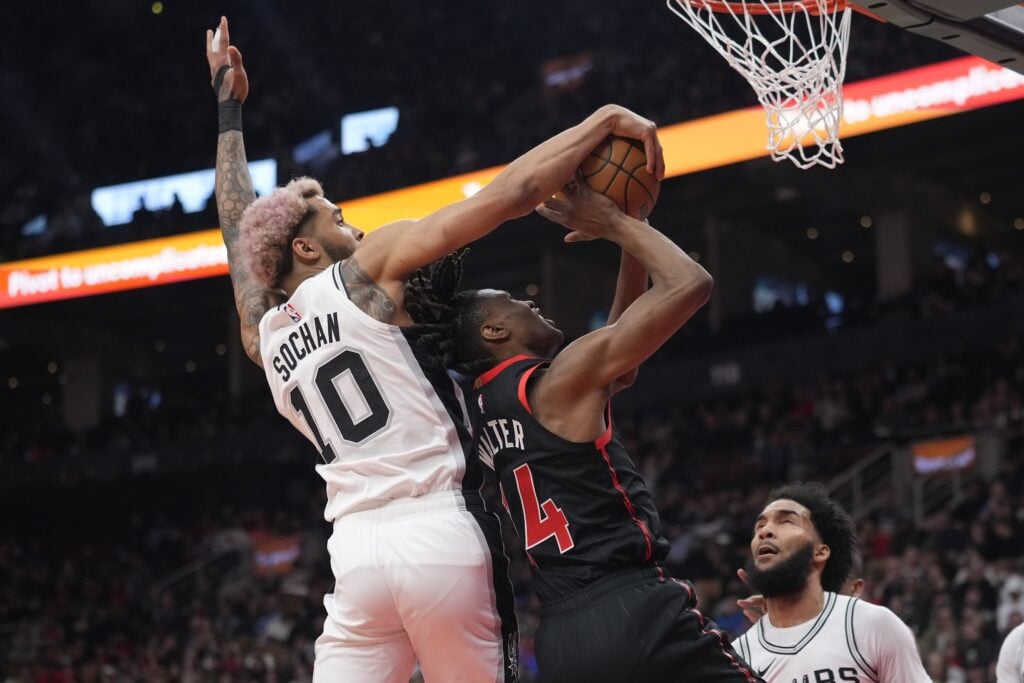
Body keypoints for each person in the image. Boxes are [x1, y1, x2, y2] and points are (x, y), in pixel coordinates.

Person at [204, 16, 665, 683]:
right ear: (304, 248)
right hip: (438, 530)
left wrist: (227, 109)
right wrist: (602, 119)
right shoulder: (367, 273)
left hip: (356, 557)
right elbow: (511, 194)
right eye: (337, 218)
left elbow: (235, 235)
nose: (355, 225)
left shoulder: (263, 335)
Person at [403, 182, 761, 683]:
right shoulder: (555, 381)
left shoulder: (486, 409)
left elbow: (621, 361)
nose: (531, 303)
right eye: (513, 302)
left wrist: (633, 225)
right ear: (494, 332)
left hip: (563, 638)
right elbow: (691, 283)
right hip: (634, 604)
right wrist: (613, 223)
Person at [732, 482, 931, 682]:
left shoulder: (871, 625)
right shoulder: (739, 656)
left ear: (820, 552)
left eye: (786, 522)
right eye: (760, 525)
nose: (765, 531)